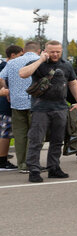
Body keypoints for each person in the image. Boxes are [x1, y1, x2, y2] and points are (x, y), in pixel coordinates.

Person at [18, 40, 77, 183]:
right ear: (45, 51)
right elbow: (22, 74)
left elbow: (73, 83)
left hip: (60, 108)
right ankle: (34, 170)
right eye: (52, 51)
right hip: (40, 109)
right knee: (36, 141)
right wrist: (40, 60)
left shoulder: (66, 65)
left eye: (58, 51)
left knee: (57, 140)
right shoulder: (38, 63)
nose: (55, 54)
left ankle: (54, 168)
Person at [1, 41, 40, 172]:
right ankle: (32, 163)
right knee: (34, 134)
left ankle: (21, 164)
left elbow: (1, 76)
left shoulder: (12, 62)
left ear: (24, 50)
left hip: (16, 103)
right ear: (39, 50)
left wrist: (6, 90)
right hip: (35, 103)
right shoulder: (39, 60)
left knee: (20, 135)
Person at [0, 45, 22, 169]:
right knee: (5, 133)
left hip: (5, 104)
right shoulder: (6, 66)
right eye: (20, 55)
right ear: (13, 55)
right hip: (5, 105)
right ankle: (2, 161)